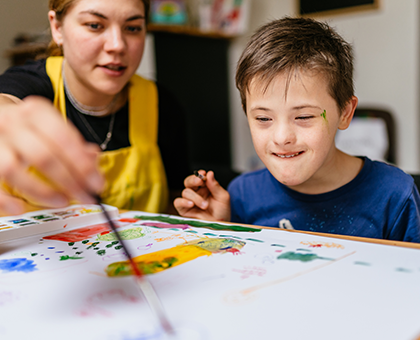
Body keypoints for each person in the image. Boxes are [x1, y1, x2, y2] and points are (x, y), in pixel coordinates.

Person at [174, 17, 420, 242]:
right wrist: (218, 230)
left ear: (345, 112)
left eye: (303, 116)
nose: (282, 138)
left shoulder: (394, 195)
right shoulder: (242, 194)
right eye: (262, 118)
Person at [0, 0, 189, 215]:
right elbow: (5, 104)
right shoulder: (28, 85)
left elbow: (173, 203)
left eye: (132, 28)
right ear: (57, 28)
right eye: (94, 25)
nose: (117, 45)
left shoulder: (162, 105)